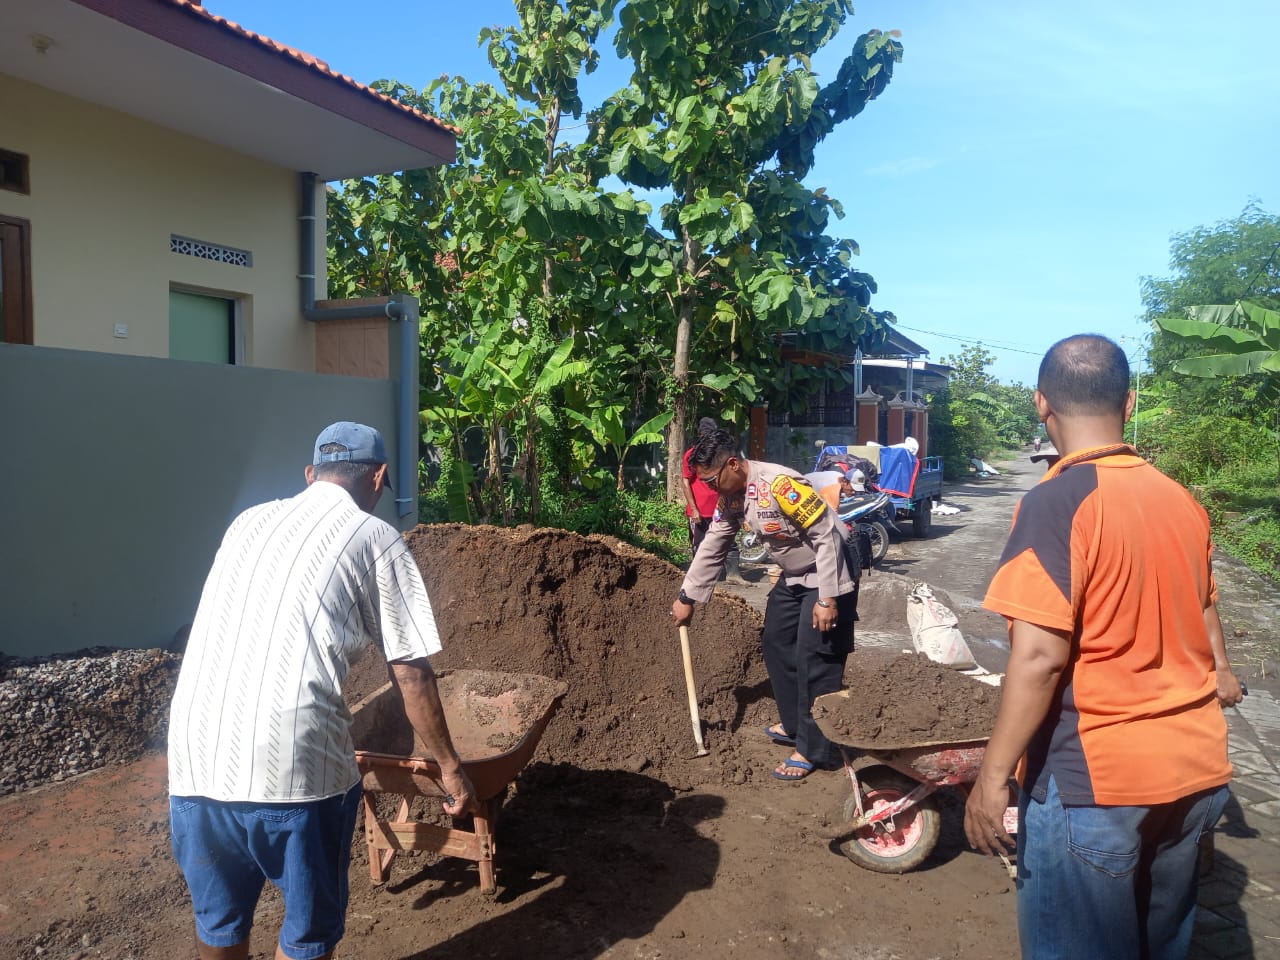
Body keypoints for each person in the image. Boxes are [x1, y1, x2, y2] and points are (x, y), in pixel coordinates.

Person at [963, 335, 1244, 960]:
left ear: (1041, 405)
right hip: (1194, 773)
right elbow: (1204, 604)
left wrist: (991, 778)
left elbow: (1039, 658)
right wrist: (1221, 670)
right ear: (1130, 400)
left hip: (1097, 779)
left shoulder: (1055, 503)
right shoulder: (1180, 502)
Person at [168, 421, 477, 960]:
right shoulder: (375, 536)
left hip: (196, 758)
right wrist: (449, 766)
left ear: (310, 474)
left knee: (219, 925)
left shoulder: (246, 522)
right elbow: (411, 671)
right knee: (308, 935)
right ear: (378, 478)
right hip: (294, 766)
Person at [671, 430, 858, 781]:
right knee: (776, 642)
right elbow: (714, 543)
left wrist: (828, 598)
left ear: (732, 464)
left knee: (814, 656)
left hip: (829, 568)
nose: (709, 489)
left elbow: (826, 535)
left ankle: (814, 747)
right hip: (794, 573)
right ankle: (793, 725)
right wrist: (687, 596)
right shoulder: (733, 496)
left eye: (712, 480)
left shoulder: (780, 484)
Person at [681, 417, 721, 557]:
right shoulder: (691, 455)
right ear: (702, 436)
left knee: (724, 544)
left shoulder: (718, 454)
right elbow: (686, 482)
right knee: (699, 545)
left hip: (718, 510)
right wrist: (694, 510)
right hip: (700, 511)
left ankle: (731, 574)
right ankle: (699, 576)